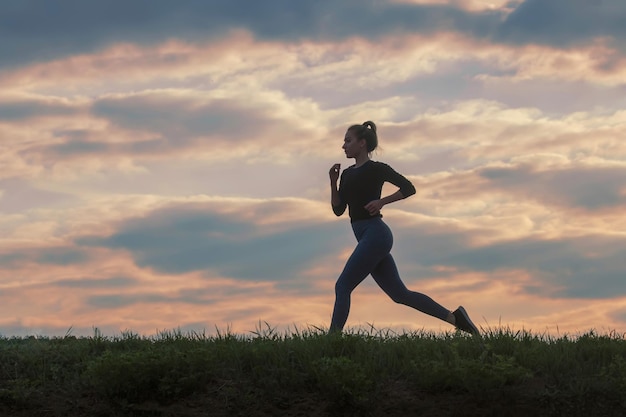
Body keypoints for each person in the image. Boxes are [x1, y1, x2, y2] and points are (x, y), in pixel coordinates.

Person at [328, 121, 479, 335]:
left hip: (376, 235)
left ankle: (332, 340)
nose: (343, 146)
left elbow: (409, 188)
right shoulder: (347, 174)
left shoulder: (377, 169)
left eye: (348, 141)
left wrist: (382, 202)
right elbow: (338, 209)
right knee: (400, 294)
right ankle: (457, 318)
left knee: (342, 286)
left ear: (362, 144)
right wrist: (333, 183)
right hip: (366, 238)